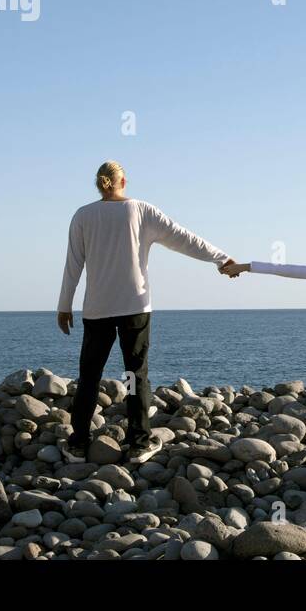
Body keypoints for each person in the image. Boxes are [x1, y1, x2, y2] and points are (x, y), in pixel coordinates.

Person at [56, 161, 243, 463]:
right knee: (134, 374)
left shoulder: (83, 216)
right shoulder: (141, 210)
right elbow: (184, 239)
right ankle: (139, 442)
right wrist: (220, 258)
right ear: (123, 181)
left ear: (100, 184)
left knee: (90, 376)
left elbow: (72, 264)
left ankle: (78, 442)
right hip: (134, 307)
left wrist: (64, 305)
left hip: (97, 309)